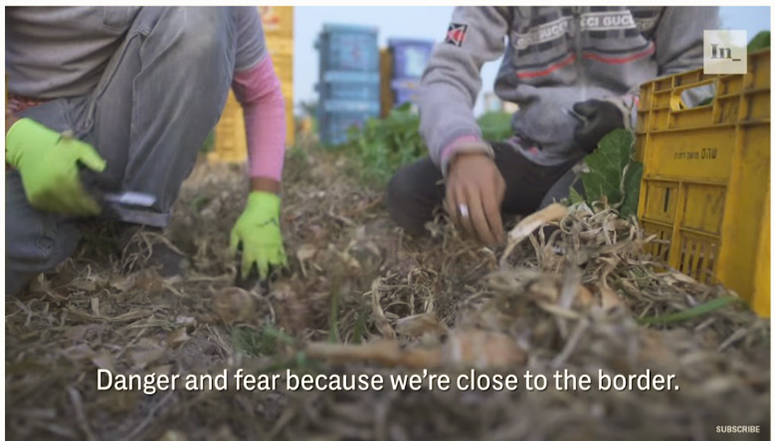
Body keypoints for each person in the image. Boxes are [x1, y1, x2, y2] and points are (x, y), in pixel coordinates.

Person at [5, 7, 288, 296]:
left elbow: (261, 95)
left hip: (112, 121)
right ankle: (71, 218)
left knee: (201, 12)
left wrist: (263, 204)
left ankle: (140, 223)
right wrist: (15, 137)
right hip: (28, 127)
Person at [387, 6, 719, 245]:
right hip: (534, 153)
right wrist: (463, 151)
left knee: (557, 236)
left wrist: (628, 115)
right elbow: (448, 71)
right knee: (408, 192)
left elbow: (711, 72)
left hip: (622, 153)